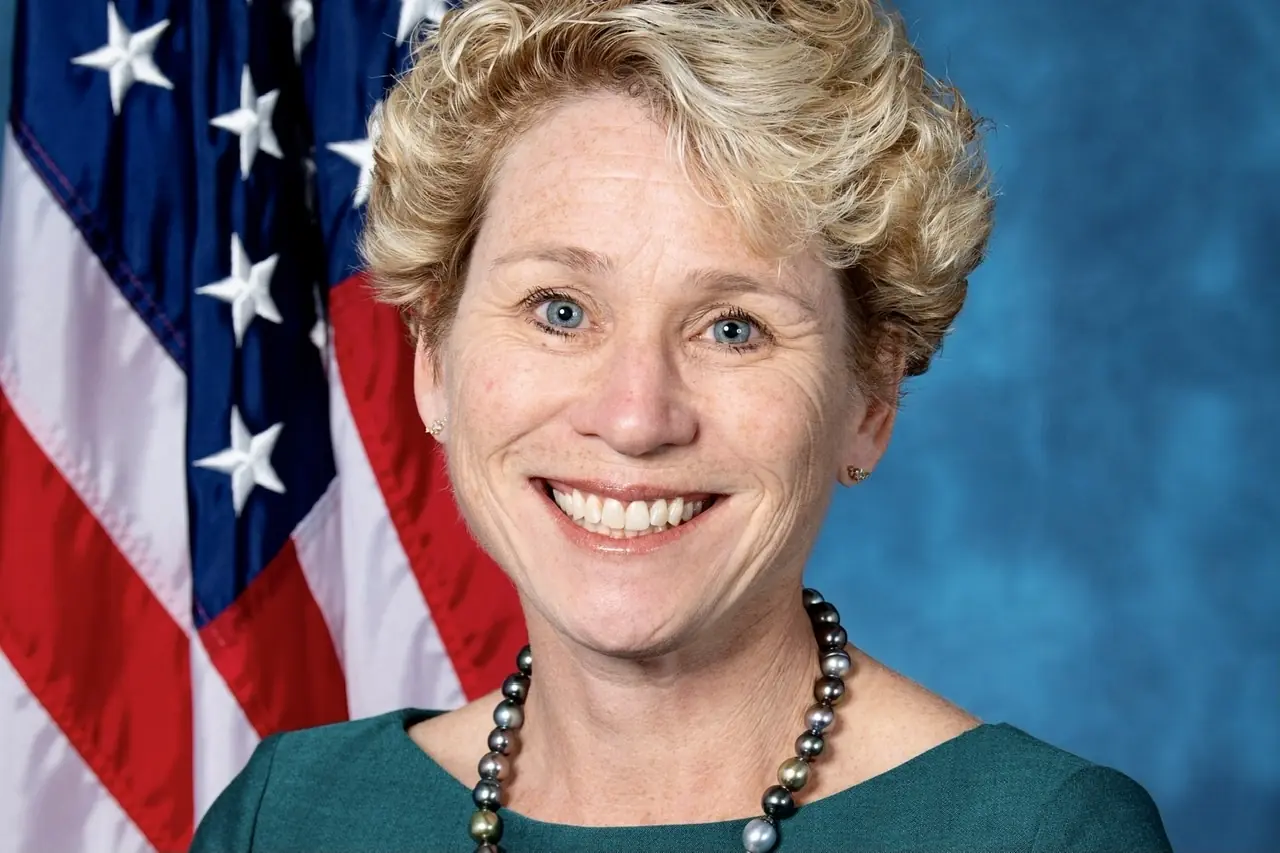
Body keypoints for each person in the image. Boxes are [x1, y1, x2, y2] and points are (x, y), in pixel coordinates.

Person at [191, 0, 1173, 850]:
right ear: (433, 359)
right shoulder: (288, 819)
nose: (634, 417)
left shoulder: (1032, 832)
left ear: (869, 401)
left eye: (732, 327)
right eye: (560, 310)